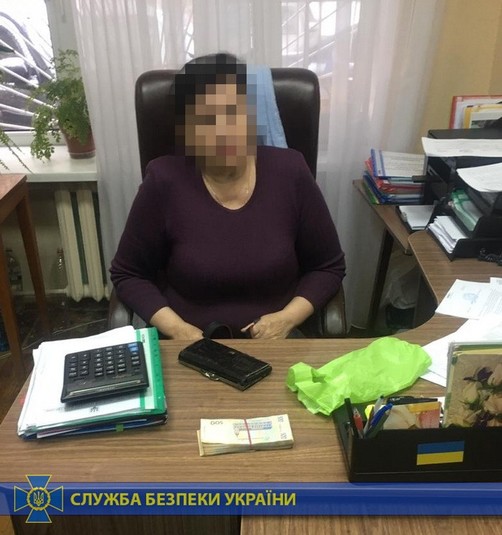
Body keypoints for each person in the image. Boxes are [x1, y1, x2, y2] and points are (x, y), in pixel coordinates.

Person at [110, 53, 345, 340]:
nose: (225, 131)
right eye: (208, 120)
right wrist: (179, 330)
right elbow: (129, 273)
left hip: (277, 342)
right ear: (187, 131)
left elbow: (327, 266)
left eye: (233, 112)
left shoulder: (291, 171)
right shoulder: (163, 180)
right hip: (190, 344)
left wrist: (286, 319)